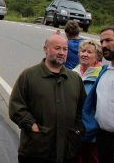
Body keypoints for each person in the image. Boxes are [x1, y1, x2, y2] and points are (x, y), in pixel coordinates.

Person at [9, 34, 85, 163]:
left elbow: (82, 110)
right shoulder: (29, 76)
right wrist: (33, 127)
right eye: (57, 48)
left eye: (65, 49)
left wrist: (77, 132)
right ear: (46, 49)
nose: (62, 52)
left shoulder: (75, 79)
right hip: (35, 151)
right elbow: (16, 107)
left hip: (66, 151)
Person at [83, 27, 114, 163]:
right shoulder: (105, 70)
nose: (103, 45)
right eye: (102, 41)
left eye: (108, 40)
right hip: (102, 138)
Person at [72, 39, 102, 163]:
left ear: (97, 57)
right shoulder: (73, 73)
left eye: (89, 52)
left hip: (93, 135)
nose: (84, 54)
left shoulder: (101, 76)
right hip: (74, 132)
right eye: (82, 51)